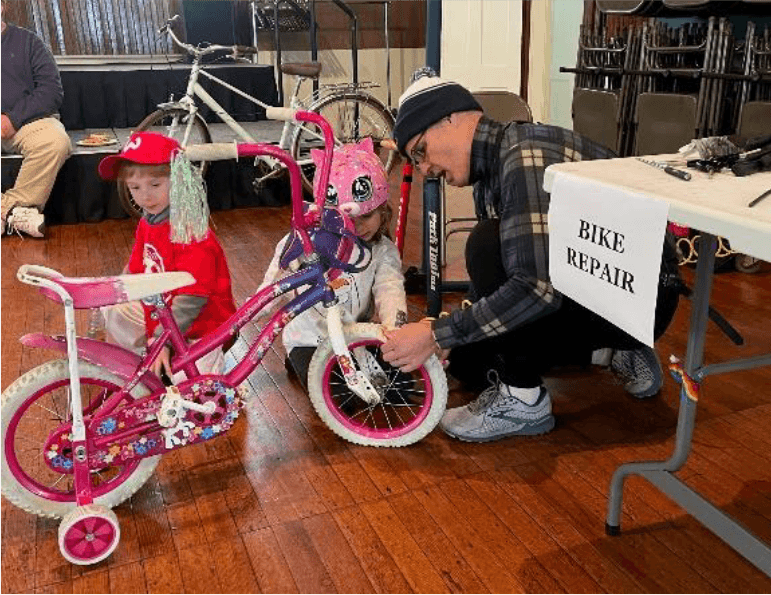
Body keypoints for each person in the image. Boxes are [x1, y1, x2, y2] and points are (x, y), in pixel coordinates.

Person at [381, 70, 680, 443]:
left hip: (643, 299)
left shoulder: (523, 157)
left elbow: (535, 288)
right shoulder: (498, 162)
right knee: (469, 364)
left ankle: (525, 401)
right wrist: (452, 340)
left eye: (420, 151)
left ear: (451, 117)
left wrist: (436, 332)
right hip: (618, 290)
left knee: (485, 244)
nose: (425, 169)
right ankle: (613, 351)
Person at [257, 138, 407, 391]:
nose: (356, 226)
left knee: (401, 382)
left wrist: (396, 331)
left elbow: (390, 289)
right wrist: (254, 312)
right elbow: (276, 280)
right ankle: (296, 363)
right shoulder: (307, 243)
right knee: (332, 392)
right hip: (309, 340)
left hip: (355, 336)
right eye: (347, 219)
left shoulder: (383, 251)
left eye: (366, 216)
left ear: (383, 210)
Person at [97, 131, 236, 381]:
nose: (145, 196)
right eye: (134, 188)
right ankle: (127, 364)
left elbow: (192, 300)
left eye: (155, 185)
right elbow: (135, 272)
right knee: (113, 306)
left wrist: (165, 341)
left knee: (186, 388)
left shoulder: (191, 231)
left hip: (201, 327)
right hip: (162, 316)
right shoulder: (148, 223)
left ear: (179, 180)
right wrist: (110, 294)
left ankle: (200, 360)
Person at [1, 0, 72, 237]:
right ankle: (13, 214)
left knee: (55, 141)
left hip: (26, 124)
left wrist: (12, 119)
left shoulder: (29, 42)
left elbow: (52, 92)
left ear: (2, 6)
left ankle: (7, 211)